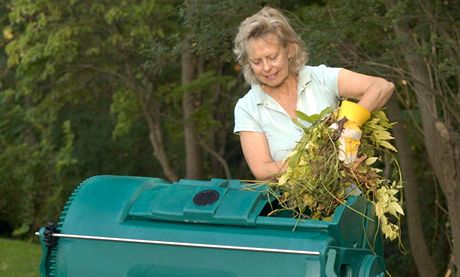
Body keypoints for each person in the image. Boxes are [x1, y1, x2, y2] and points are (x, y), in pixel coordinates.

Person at [233, 6, 394, 180]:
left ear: (290, 50)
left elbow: (382, 87)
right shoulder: (247, 107)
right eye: (256, 62)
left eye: (272, 57)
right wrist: (316, 157)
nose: (266, 68)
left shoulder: (321, 78)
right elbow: (262, 170)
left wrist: (349, 125)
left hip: (348, 199)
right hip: (290, 204)